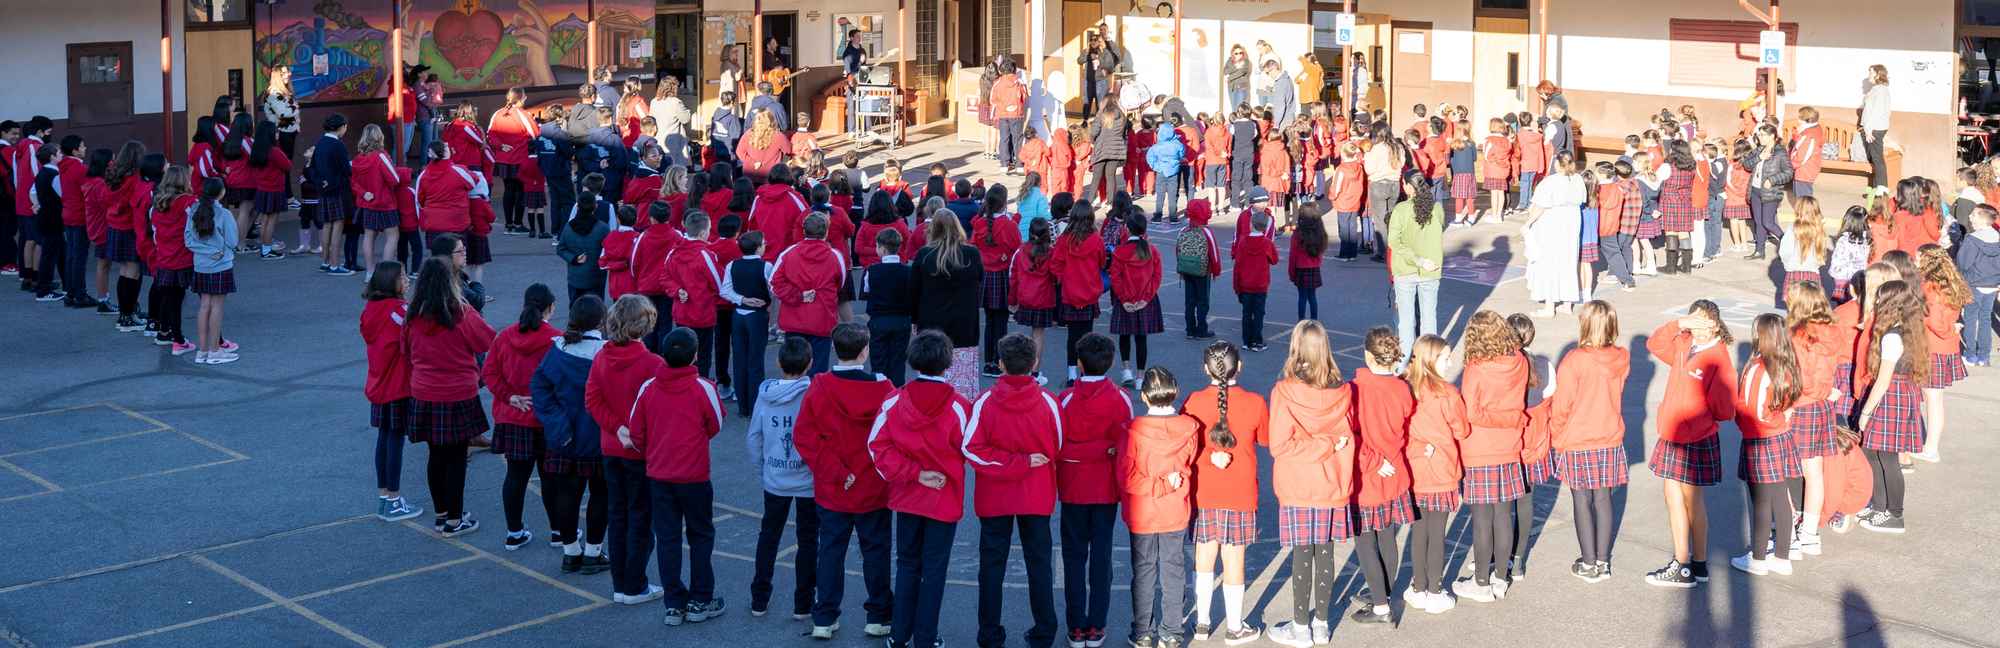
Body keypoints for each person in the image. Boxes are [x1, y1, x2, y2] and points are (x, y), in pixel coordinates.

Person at [867, 330, 970, 648]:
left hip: (907, 496)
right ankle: (926, 637)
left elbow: (877, 447)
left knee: (907, 564)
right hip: (943, 498)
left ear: (912, 361)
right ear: (948, 364)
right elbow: (970, 448)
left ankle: (898, 635)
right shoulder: (959, 406)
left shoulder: (894, 400)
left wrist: (914, 473)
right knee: (935, 569)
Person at [795, 323, 897, 639]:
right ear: (865, 351)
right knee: (876, 551)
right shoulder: (884, 389)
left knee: (830, 551)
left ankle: (824, 617)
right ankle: (879, 615)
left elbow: (805, 437)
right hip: (872, 486)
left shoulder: (819, 386)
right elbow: (891, 437)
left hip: (834, 486)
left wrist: (839, 473)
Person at [962, 333, 1063, 648]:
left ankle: (989, 634)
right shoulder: (1049, 401)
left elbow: (972, 449)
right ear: (1035, 363)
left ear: (1001, 364)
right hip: (1036, 495)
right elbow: (1057, 445)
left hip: (995, 498)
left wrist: (1009, 462)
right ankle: (1044, 631)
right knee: (1039, 565)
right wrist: (1023, 462)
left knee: (991, 567)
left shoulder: (984, 402)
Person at [624, 327, 727, 625]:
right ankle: (700, 599)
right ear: (695, 356)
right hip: (694, 475)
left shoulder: (649, 388)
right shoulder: (702, 387)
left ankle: (674, 602)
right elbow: (716, 424)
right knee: (701, 535)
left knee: (668, 538)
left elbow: (637, 433)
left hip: (659, 475)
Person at [1264, 321, 1356, 644]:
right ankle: (1321, 622)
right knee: (1325, 551)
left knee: (1303, 553)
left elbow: (1279, 444)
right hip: (1330, 480)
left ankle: (1300, 625)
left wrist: (1319, 444)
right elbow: (1345, 435)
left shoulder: (1284, 392)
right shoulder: (1342, 392)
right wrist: (1329, 445)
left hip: (1299, 482)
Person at [1642, 300, 1737, 588]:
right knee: (1675, 499)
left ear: (1716, 324)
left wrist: (1700, 415)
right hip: (1673, 432)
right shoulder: (1684, 344)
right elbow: (1655, 343)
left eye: (1704, 323)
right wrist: (1679, 324)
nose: (1699, 329)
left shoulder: (1718, 359)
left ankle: (1684, 565)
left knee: (1690, 502)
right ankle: (1696, 564)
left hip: (1694, 436)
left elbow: (1725, 409)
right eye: (1693, 322)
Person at [405, 254, 496, 536]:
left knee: (436, 455)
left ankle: (442, 513)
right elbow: (487, 341)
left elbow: (405, 352)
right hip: (457, 392)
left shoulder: (413, 316)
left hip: (424, 390)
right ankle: (455, 519)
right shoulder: (461, 313)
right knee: (456, 458)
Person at [1183, 341, 1267, 644]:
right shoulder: (1255, 402)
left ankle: (1202, 622)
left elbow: (1186, 444)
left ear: (1206, 369)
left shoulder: (1193, 401)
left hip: (1204, 490)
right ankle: (1234, 626)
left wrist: (1208, 457)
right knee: (1234, 559)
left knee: (1203, 556)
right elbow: (1267, 438)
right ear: (1239, 367)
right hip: (1241, 491)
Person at [585, 295, 667, 606]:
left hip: (611, 448)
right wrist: (631, 430)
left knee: (617, 515)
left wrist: (616, 427)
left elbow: (592, 400)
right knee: (641, 518)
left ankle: (621, 583)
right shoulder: (652, 364)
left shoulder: (602, 358)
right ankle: (635, 584)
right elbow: (656, 409)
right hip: (640, 451)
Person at [1052, 333, 1129, 646]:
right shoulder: (1120, 398)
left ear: (1079, 365)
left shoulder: (1066, 399)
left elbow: (1057, 442)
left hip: (1072, 487)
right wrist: (1104, 450)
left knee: (1073, 557)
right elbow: (1124, 444)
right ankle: (1097, 624)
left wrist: (1078, 452)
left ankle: (1076, 625)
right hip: (1106, 489)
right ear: (1110, 364)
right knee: (1101, 556)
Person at [1546, 301, 1630, 582]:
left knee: (1581, 499)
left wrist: (1556, 435)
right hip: (1608, 434)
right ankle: (1603, 562)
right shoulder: (1621, 356)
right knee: (1603, 498)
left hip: (1579, 437)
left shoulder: (1575, 360)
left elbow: (1562, 405)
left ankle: (1589, 561)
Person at [531, 295, 613, 574]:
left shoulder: (559, 349)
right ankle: (593, 551)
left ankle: (570, 552)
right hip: (598, 435)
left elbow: (540, 389)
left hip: (565, 437)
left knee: (566, 494)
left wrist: (556, 424)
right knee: (601, 494)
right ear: (602, 321)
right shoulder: (606, 352)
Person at [1453, 311, 1528, 601]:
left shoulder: (1476, 368)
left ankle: (1481, 581)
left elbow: (1472, 412)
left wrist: (1501, 418)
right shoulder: (1519, 361)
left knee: (1482, 518)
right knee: (1503, 515)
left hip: (1481, 449)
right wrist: (1510, 419)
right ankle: (1500, 577)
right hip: (1509, 445)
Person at [1122, 366, 1199, 648]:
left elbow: (1128, 478)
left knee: (1143, 571)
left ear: (1144, 397)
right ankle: (1172, 631)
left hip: (1143, 511)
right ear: (1175, 392)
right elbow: (1188, 461)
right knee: (1174, 569)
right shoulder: (1189, 427)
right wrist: (1169, 483)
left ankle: (1142, 630)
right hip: (1174, 509)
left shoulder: (1133, 431)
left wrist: (1158, 484)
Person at [742, 338, 819, 618]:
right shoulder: (813, 394)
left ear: (778, 362)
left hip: (775, 477)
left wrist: (763, 469)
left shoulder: (766, 395)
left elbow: (754, 438)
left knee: (769, 536)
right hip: (807, 479)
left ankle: (759, 599)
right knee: (808, 540)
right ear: (810, 363)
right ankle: (803, 603)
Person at [1730, 314, 1805, 577]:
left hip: (1760, 439)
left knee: (1760, 501)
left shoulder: (1756, 369)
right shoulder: (1788, 364)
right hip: (1780, 436)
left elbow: (1747, 409)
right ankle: (1782, 555)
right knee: (1780, 498)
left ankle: (1759, 557)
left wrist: (1744, 425)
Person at [1348, 328, 1415, 623]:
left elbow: (1352, 436)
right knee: (1387, 536)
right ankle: (1383, 590)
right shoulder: (1402, 389)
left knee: (1365, 543)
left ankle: (1380, 606)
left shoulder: (1355, 390)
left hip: (1368, 475)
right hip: (1395, 470)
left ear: (1367, 355)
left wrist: (1372, 460)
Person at [488, 284, 560, 550]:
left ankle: (514, 532)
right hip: (545, 419)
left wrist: (509, 397)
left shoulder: (504, 337)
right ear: (550, 308)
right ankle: (558, 531)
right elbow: (560, 381)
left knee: (516, 477)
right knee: (551, 478)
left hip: (513, 418)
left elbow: (490, 373)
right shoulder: (556, 340)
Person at [1854, 281, 1926, 533]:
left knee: (1887, 457)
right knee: (1874, 452)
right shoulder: (1909, 328)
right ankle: (1880, 506)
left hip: (1891, 395)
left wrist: (1865, 412)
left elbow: (1883, 379)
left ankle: (1895, 514)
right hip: (1900, 393)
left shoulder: (1892, 336)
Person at [1404, 334, 1465, 610]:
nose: (1450, 360)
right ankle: (1435, 589)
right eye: (1445, 356)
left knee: (1419, 532)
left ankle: (1418, 586)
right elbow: (1461, 429)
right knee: (1437, 533)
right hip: (1441, 470)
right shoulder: (1448, 394)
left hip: (1416, 470)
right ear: (1431, 359)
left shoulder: (1408, 390)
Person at [361, 262, 423, 522]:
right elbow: (415, 340)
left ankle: (385, 496)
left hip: (379, 381)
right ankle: (395, 499)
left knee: (385, 438)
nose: (407, 281)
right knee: (395, 440)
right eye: (403, 277)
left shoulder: (370, 310)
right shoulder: (400, 311)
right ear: (391, 282)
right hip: (398, 383)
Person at [1784, 284, 1840, 557]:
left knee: (1784, 470)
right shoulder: (1831, 331)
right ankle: (1810, 532)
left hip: (1800, 405)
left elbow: (1801, 377)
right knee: (1814, 471)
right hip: (1822, 405)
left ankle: (1790, 529)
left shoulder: (1799, 336)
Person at [912, 214, 985, 396]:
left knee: (929, 379)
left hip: (931, 324)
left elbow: (913, 291)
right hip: (964, 325)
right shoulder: (971, 254)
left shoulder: (924, 255)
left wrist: (915, 320)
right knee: (963, 382)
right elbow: (980, 279)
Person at [662, 211, 726, 381]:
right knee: (702, 358)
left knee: (683, 356)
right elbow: (720, 285)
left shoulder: (673, 253)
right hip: (703, 315)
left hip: (682, 313)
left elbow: (665, 277)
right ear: (703, 233)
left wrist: (677, 290)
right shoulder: (706, 255)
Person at [182, 178, 240, 364]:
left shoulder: (193, 211)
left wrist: (207, 251)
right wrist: (219, 251)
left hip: (201, 264)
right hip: (221, 265)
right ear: (221, 193)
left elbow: (189, 240)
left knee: (204, 305)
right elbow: (233, 241)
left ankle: (203, 351)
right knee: (217, 307)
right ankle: (215, 351)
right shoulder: (223, 214)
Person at [1522, 153, 1585, 316]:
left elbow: (1539, 206)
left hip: (1552, 224)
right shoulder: (1577, 179)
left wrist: (1528, 223)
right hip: (1571, 223)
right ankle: (1567, 303)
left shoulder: (1550, 181)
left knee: (1549, 262)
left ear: (1557, 163)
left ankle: (1549, 307)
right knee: (1568, 262)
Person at [1389, 173, 1444, 355]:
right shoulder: (1436, 208)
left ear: (1409, 187)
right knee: (1429, 319)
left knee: (1406, 321)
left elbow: (1394, 242)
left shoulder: (1401, 210)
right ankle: (1429, 361)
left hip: (1406, 269)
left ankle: (1404, 363)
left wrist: (1417, 260)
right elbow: (1439, 229)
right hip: (1431, 269)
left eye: (1404, 184)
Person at [1052, 201, 1105, 383]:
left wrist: (1064, 278)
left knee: (1072, 336)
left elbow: (1056, 264)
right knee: (1087, 335)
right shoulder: (1096, 240)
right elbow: (1101, 262)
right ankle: (1086, 372)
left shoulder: (1064, 240)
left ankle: (1072, 373)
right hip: (1089, 292)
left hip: (1070, 292)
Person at [971, 186, 1022, 377]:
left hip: (985, 275)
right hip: (1001, 274)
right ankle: (999, 361)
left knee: (990, 321)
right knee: (1000, 322)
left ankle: (989, 362)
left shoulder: (979, 223)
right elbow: (1017, 247)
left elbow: (974, 245)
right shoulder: (1008, 225)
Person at [722, 232, 774, 414]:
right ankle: (755, 404)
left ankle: (743, 405)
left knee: (739, 358)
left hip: (738, 315)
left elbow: (725, 290)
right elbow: (773, 289)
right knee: (756, 360)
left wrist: (742, 299)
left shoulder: (732, 265)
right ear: (758, 247)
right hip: (757, 316)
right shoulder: (766, 266)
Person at [148, 164, 196, 354]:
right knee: (179, 298)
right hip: (184, 258)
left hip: (164, 257)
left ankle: (164, 331)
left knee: (169, 297)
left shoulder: (157, 204)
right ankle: (178, 338)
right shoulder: (190, 203)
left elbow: (154, 233)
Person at [862, 229, 914, 385]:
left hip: (879, 320)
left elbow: (867, 290)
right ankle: (896, 394)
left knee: (878, 361)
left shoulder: (872, 270)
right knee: (898, 361)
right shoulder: (908, 271)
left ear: (882, 249)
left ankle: (879, 393)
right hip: (902, 320)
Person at [1009, 219, 1059, 381]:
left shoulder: (1021, 251)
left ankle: (1022, 369)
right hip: (1043, 298)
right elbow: (1056, 276)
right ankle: (1035, 371)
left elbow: (1014, 277)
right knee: (1038, 334)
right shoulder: (1051, 253)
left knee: (1025, 336)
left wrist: (1012, 300)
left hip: (1025, 296)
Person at [352, 126, 401, 276]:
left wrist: (363, 193)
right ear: (379, 137)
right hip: (385, 203)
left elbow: (353, 181)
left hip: (367, 202)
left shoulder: (357, 159)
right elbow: (395, 179)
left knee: (369, 236)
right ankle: (384, 274)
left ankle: (370, 272)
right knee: (392, 235)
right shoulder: (381, 156)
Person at [1958, 205, 2000, 367]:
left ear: (1983, 218)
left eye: (1974, 214)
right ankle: (1984, 356)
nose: (1970, 217)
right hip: (1991, 284)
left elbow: (1963, 263)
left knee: (1970, 319)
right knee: (1985, 319)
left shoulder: (1972, 239)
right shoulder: (1997, 237)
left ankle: (1970, 355)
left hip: (1974, 284)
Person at [1174, 199, 1221, 340]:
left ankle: (1190, 329)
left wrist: (1181, 268)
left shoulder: (1183, 231)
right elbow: (1214, 254)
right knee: (1202, 301)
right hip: (1202, 271)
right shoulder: (1206, 232)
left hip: (1187, 270)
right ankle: (1201, 329)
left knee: (1189, 301)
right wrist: (1216, 270)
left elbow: (1178, 250)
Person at [1744, 125, 1793, 260]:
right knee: (1758, 222)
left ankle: (1789, 244)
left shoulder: (1780, 153)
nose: (1759, 138)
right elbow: (1746, 165)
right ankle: (1760, 251)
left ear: (1772, 136)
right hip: (1755, 190)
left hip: (1771, 192)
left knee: (1768, 222)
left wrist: (1772, 180)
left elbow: (1789, 173)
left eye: (1762, 135)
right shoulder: (1759, 150)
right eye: (1759, 135)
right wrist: (1759, 157)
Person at [1232, 208, 1277, 353]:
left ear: (1251, 225)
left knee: (1246, 313)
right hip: (1260, 284)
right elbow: (1274, 259)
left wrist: (1236, 286)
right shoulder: (1267, 244)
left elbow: (1237, 265)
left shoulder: (1243, 243)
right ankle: (1257, 340)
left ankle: (1247, 340)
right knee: (1258, 313)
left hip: (1245, 284)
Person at [557, 193, 611, 304]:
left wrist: (574, 258)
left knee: (575, 310)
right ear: (595, 206)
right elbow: (609, 251)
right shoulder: (603, 228)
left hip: (575, 278)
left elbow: (560, 249)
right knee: (596, 312)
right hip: (596, 278)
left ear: (577, 207)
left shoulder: (569, 227)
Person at [1288, 205, 1327, 321]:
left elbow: (1293, 256)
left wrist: (1291, 273)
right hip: (1314, 268)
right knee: (1312, 296)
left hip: (1301, 268)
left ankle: (1301, 321)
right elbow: (1320, 253)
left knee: (1302, 297)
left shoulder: (1297, 235)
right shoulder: (1319, 233)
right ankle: (1314, 321)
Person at [1860, 65, 1892, 192]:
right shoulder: (1881, 90)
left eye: (1870, 72)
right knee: (1875, 157)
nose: (1869, 75)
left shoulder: (1879, 90)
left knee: (1877, 158)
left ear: (1878, 74)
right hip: (1877, 127)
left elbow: (1875, 112)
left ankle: (1881, 188)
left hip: (1874, 128)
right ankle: (1876, 187)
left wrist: (1868, 130)